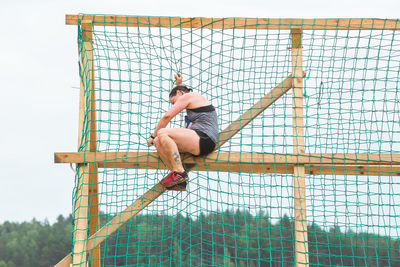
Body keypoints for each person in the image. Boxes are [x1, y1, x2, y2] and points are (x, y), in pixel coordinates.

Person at [147, 74, 218, 191]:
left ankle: (180, 172)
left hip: (205, 138)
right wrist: (178, 85)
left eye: (173, 101)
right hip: (199, 142)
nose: (175, 105)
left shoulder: (190, 95)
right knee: (158, 141)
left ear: (180, 93)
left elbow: (167, 116)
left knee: (162, 133)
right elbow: (181, 94)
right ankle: (179, 179)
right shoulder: (188, 97)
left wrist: (152, 135)